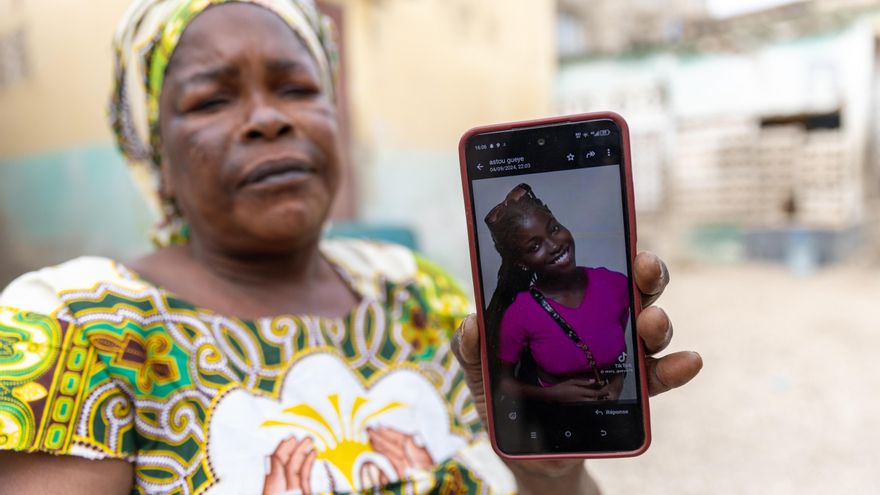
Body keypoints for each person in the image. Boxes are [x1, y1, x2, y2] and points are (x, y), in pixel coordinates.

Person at [0, 1, 702, 493]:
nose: (269, 119)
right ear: (154, 152)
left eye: (298, 87)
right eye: (212, 100)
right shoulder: (72, 321)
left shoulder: (417, 292)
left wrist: (552, 471)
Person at [484, 183, 629, 403]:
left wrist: (617, 381)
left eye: (553, 229)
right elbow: (502, 381)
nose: (554, 245)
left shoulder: (615, 284)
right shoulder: (520, 313)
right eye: (535, 247)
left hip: (612, 413)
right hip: (549, 419)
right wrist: (552, 395)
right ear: (521, 262)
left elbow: (620, 347)